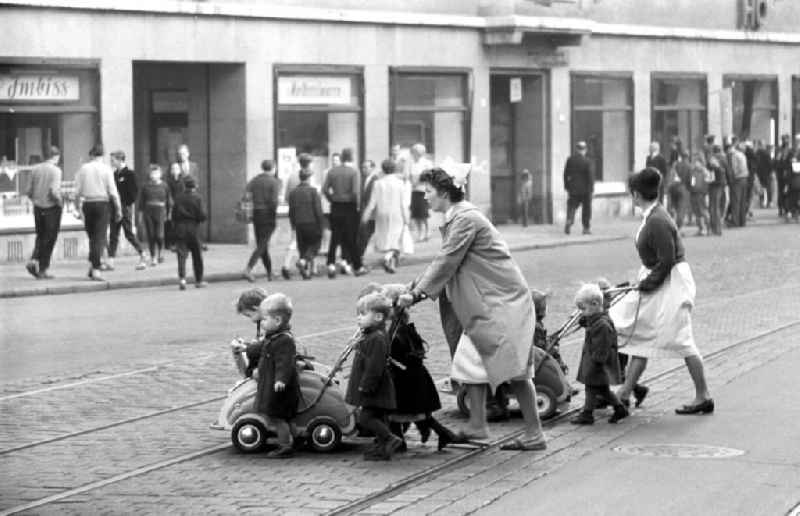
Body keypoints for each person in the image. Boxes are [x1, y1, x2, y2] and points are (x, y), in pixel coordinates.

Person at [397, 166, 547, 451]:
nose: (424, 197)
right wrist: (413, 286)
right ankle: (479, 424)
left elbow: (447, 261)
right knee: (469, 361)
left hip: (501, 304)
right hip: (491, 304)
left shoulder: (465, 219)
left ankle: (534, 433)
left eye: (428, 191)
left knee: (515, 369)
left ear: (443, 193)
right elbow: (446, 260)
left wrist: (414, 294)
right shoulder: (460, 217)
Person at [611, 167, 714, 415]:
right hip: (663, 279)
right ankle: (625, 392)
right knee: (642, 333)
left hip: (671, 283)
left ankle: (704, 395)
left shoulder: (657, 220)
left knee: (682, 339)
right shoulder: (653, 215)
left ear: (636, 194)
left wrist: (647, 283)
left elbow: (666, 260)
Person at [366, 283, 458, 452]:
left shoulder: (395, 331)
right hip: (412, 378)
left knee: (395, 411)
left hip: (403, 380)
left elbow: (395, 354)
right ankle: (443, 434)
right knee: (415, 412)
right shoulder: (400, 327)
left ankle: (398, 440)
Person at [232, 292, 300, 459]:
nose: (260, 323)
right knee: (285, 418)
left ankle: (285, 446)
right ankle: (296, 438)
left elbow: (285, 364)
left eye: (264, 320)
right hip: (274, 385)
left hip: (280, 389)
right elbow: (260, 347)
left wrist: (280, 380)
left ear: (277, 320)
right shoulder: (274, 336)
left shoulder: (284, 340)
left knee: (278, 417)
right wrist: (245, 348)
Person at [347, 292, 403, 461]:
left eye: (363, 314)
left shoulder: (377, 338)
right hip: (375, 387)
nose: (358, 318)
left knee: (366, 417)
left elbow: (374, 366)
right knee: (378, 417)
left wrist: (366, 385)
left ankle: (389, 439)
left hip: (375, 388)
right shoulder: (371, 335)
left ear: (378, 317)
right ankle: (382, 446)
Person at [570, 283, 629, 425]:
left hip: (598, 363)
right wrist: (585, 320)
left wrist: (597, 361)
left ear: (595, 304)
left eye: (583, 309)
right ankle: (618, 408)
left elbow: (603, 345)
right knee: (601, 389)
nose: (582, 312)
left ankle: (588, 413)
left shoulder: (602, 324)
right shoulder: (596, 319)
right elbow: (590, 325)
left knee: (592, 387)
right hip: (594, 361)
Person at [74, 143, 122, 281]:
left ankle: (92, 265)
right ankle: (96, 269)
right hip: (102, 204)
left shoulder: (83, 169)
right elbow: (113, 192)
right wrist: (118, 209)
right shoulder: (107, 170)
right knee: (99, 237)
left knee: (92, 237)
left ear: (91, 155)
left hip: (87, 204)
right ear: (102, 155)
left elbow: (76, 192)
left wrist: (77, 207)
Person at [322, 149, 366, 278]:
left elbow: (324, 189)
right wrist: (356, 206)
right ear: (352, 157)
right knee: (351, 238)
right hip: (349, 206)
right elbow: (355, 192)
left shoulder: (332, 171)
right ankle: (357, 266)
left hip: (335, 206)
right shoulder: (354, 172)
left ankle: (330, 263)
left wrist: (332, 199)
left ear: (341, 158)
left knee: (335, 237)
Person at [361, 159, 409, 274]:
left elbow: (372, 203)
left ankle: (390, 262)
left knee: (385, 238)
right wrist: (406, 217)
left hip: (381, 213)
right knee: (396, 240)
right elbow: (403, 203)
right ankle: (387, 259)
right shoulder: (400, 183)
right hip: (396, 213)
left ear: (383, 169)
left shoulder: (378, 183)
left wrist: (365, 215)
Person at [24, 146, 63, 279]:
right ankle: (43, 269)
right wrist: (60, 202)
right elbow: (54, 191)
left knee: (40, 236)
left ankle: (34, 260)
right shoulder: (56, 171)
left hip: (38, 208)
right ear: (56, 157)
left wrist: (36, 200)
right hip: (51, 208)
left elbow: (28, 191)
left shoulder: (35, 169)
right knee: (50, 238)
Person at [107, 150, 147, 270]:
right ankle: (111, 260)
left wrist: (126, 204)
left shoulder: (130, 174)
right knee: (113, 234)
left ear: (120, 160)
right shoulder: (114, 174)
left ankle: (143, 253)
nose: (111, 162)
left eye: (113, 160)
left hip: (125, 208)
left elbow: (134, 193)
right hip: (114, 207)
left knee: (128, 233)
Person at [288, 154, 324, 280]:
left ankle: (306, 272)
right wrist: (321, 225)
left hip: (299, 223)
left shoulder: (293, 193)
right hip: (312, 223)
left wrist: (293, 224)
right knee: (315, 245)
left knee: (302, 247)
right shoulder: (313, 192)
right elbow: (318, 210)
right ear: (308, 178)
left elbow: (291, 210)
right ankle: (303, 262)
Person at [243, 159, 280, 282]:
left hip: (256, 214)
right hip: (268, 214)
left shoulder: (254, 181)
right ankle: (248, 269)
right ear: (273, 168)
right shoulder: (274, 182)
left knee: (262, 244)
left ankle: (270, 272)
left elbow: (246, 195)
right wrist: (274, 215)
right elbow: (274, 201)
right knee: (262, 244)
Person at [172, 175, 207, 290]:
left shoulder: (178, 197)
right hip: (194, 229)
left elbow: (173, 215)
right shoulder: (198, 198)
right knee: (197, 255)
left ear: (184, 186)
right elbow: (202, 215)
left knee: (181, 255)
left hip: (180, 229)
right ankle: (199, 280)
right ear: (195, 186)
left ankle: (182, 279)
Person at [137, 164, 172, 266]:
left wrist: (169, 213)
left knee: (159, 235)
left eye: (156, 173)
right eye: (152, 173)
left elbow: (169, 200)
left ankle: (161, 249)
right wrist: (139, 216)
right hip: (148, 212)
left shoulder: (164, 186)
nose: (154, 175)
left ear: (160, 174)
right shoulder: (145, 186)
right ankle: (153, 257)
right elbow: (141, 202)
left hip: (160, 211)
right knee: (151, 235)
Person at [563, 140, 594, 235]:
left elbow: (565, 174)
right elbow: (590, 176)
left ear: (576, 149)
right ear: (585, 150)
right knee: (586, 209)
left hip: (573, 189)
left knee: (572, 206)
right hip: (585, 190)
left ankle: (569, 220)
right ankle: (586, 228)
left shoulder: (570, 160)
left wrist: (567, 186)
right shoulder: (587, 161)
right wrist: (591, 189)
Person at [408, 143, 433, 242]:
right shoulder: (411, 163)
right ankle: (420, 232)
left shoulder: (427, 163)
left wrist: (418, 180)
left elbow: (430, 176)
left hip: (423, 191)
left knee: (424, 213)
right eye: (414, 152)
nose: (415, 154)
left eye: (418, 152)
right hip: (413, 191)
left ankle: (427, 231)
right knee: (416, 214)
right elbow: (408, 176)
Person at [357, 159, 380, 261]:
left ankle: (361, 256)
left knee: (366, 236)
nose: (363, 169)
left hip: (370, 214)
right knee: (362, 236)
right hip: (363, 212)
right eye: (362, 167)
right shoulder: (363, 180)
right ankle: (360, 256)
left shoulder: (375, 180)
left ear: (372, 168)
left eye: (366, 167)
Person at [667, 142, 691, 232]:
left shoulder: (676, 164)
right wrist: (691, 188)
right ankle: (678, 226)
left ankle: (671, 222)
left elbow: (671, 175)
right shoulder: (689, 166)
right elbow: (691, 179)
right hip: (683, 188)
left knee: (675, 206)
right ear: (687, 157)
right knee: (682, 208)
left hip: (673, 188)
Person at [706, 145, 728, 236]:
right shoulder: (724, 158)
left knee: (714, 207)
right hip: (722, 184)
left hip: (714, 184)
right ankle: (718, 228)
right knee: (718, 206)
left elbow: (709, 168)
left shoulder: (712, 159)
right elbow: (727, 169)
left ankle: (715, 228)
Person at [688, 152, 711, 236]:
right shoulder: (693, 171)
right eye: (695, 162)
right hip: (694, 193)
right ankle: (701, 229)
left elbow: (708, 183)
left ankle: (709, 228)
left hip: (701, 194)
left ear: (701, 162)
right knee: (697, 212)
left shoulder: (705, 172)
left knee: (703, 211)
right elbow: (692, 182)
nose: (695, 164)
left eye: (697, 162)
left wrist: (705, 193)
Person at [728, 140, 749, 227]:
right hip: (745, 178)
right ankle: (742, 221)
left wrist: (733, 177)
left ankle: (735, 221)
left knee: (736, 201)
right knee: (742, 201)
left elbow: (734, 168)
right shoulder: (743, 155)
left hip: (737, 180)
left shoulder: (734, 156)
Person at [755, 140, 773, 208]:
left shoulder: (756, 153)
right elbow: (770, 164)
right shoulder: (766, 153)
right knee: (767, 188)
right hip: (766, 173)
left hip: (760, 173)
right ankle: (768, 202)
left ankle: (762, 201)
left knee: (761, 187)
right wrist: (771, 172)